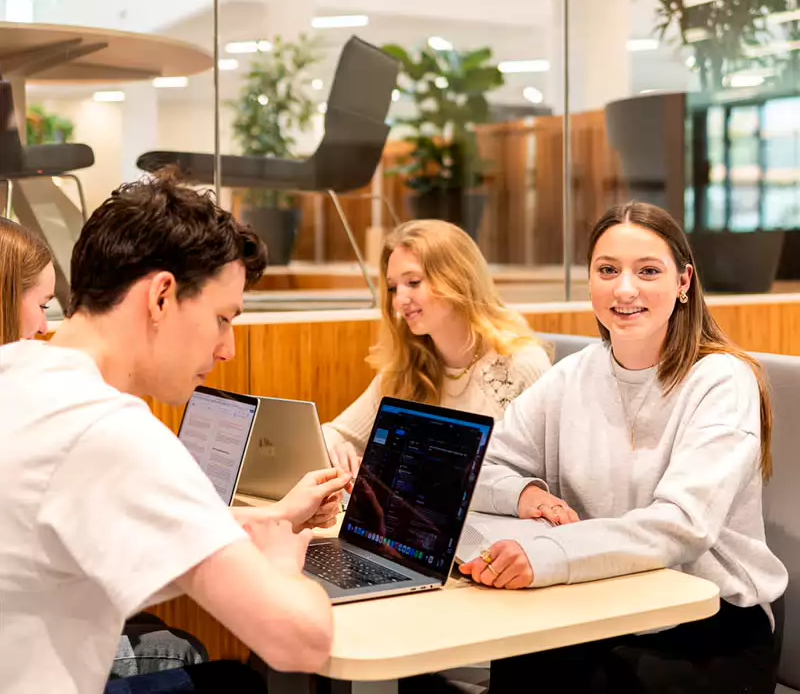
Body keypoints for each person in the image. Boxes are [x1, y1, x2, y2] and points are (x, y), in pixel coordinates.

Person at [0, 175, 351, 694]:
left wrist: (271, 517)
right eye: (222, 318)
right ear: (162, 296)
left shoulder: (15, 371)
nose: (226, 349)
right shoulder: (108, 428)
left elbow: (121, 518)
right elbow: (300, 641)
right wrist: (282, 565)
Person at [458, 201, 788, 693]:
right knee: (520, 665)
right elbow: (477, 466)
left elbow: (680, 526)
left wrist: (549, 554)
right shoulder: (573, 375)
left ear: (683, 283)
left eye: (648, 271)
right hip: (605, 603)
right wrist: (524, 494)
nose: (625, 288)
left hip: (710, 622)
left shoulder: (721, 379)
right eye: (607, 270)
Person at [322, 219, 552, 476]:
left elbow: (545, 475)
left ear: (456, 278)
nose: (399, 300)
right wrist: (337, 447)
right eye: (392, 288)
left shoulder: (523, 364)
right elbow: (330, 433)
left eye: (413, 282)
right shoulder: (406, 368)